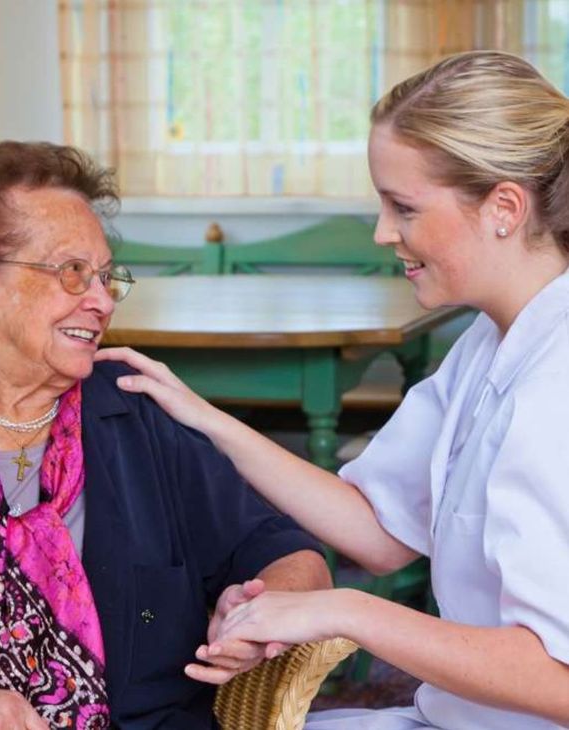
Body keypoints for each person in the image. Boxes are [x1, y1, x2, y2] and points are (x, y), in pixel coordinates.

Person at [96, 50, 569, 729]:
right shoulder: (489, 345)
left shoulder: (557, 386)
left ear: (503, 207)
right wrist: (203, 417)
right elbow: (378, 529)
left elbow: (558, 679)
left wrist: (343, 608)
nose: (383, 232)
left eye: (403, 206)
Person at [0, 141, 330, 730]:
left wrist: (258, 609)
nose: (100, 302)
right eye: (72, 273)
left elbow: (291, 554)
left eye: (105, 277)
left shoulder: (137, 413)